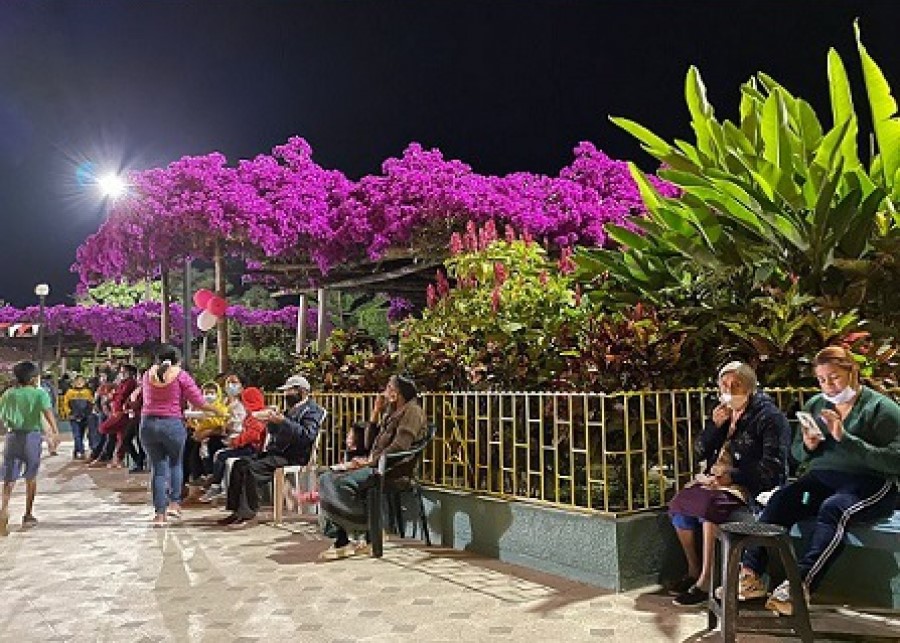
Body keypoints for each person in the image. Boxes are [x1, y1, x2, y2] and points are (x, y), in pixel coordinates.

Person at [738, 346, 900, 615]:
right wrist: (809, 446)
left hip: (870, 483)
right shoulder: (816, 405)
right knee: (781, 500)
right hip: (821, 479)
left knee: (834, 509)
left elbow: (895, 461)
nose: (829, 386)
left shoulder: (881, 409)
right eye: (822, 380)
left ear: (852, 372)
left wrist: (845, 439)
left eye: (834, 377)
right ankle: (750, 572)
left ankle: (799, 585)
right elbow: (797, 454)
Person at [668, 361, 790, 606]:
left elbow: (773, 468)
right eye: (725, 385)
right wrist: (714, 427)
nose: (730, 390)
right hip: (717, 481)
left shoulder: (768, 417)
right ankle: (693, 570)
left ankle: (706, 580)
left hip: (749, 486)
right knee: (679, 505)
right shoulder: (723, 412)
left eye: (737, 385)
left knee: (708, 508)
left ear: (751, 388)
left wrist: (733, 476)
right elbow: (699, 451)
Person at [318, 374, 427, 560]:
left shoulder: (413, 412)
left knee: (342, 483)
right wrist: (376, 412)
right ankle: (350, 537)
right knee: (326, 477)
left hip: (392, 469)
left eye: (389, 386)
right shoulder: (391, 412)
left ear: (398, 392)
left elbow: (401, 446)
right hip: (375, 464)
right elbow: (369, 444)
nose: (385, 390)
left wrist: (370, 462)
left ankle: (367, 532)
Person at [219, 374, 324, 528]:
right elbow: (276, 432)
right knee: (240, 464)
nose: (286, 395)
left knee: (253, 469)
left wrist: (283, 421)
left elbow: (307, 435)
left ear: (302, 391)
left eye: (290, 392)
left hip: (294, 455)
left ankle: (248, 514)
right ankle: (236, 511)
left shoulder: (312, 411)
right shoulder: (290, 410)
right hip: (277, 452)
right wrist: (270, 420)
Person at [140, 345, 222, 527]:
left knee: (158, 469)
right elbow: (199, 402)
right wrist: (219, 411)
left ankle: (159, 515)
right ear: (178, 359)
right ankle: (174, 504)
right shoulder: (181, 375)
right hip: (172, 424)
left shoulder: (147, 375)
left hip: (147, 424)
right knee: (176, 463)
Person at [0, 361, 61, 535]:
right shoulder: (39, 393)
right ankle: (27, 514)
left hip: (12, 436)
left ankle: (4, 509)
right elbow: (48, 413)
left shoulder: (8, 394)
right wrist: (54, 433)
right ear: (34, 378)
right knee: (31, 478)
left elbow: (2, 414)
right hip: (31, 438)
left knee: (9, 478)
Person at [199, 386, 267, 503]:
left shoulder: (257, 416)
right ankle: (214, 481)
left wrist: (236, 442)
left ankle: (216, 485)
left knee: (221, 455)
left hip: (251, 449)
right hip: (248, 446)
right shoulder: (254, 415)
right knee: (218, 451)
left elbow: (252, 435)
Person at [60, 374, 94, 460]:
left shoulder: (87, 392)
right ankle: (82, 451)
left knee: (81, 435)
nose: (79, 383)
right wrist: (69, 413)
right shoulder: (69, 392)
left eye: (81, 381)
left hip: (84, 417)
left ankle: (76, 450)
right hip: (73, 417)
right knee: (76, 435)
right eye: (77, 381)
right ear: (74, 382)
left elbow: (91, 404)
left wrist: (88, 413)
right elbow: (65, 404)